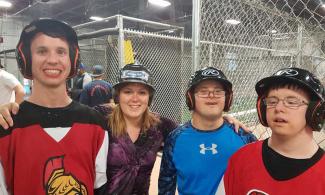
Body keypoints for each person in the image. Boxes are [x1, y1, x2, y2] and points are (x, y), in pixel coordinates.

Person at [0, 63, 251, 194]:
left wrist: (226, 119)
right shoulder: (98, 118)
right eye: (128, 91)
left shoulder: (161, 127)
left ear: (149, 97)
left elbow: (193, 130)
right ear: (117, 95)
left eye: (141, 92)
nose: (134, 98)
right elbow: (58, 115)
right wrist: (15, 110)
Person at [0, 18, 108, 194]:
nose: (52, 60)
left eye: (61, 52)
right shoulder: (7, 127)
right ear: (26, 58)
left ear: (72, 59)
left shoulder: (95, 123)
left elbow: (99, 186)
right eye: (42, 51)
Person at [219, 67, 325, 195]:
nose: (279, 108)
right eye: (272, 101)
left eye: (291, 102)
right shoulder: (241, 159)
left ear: (315, 111)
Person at [158, 67, 257, 195]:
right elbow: (166, 188)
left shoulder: (243, 136)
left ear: (227, 99)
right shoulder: (175, 139)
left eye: (218, 91)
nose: (211, 96)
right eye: (203, 91)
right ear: (190, 98)